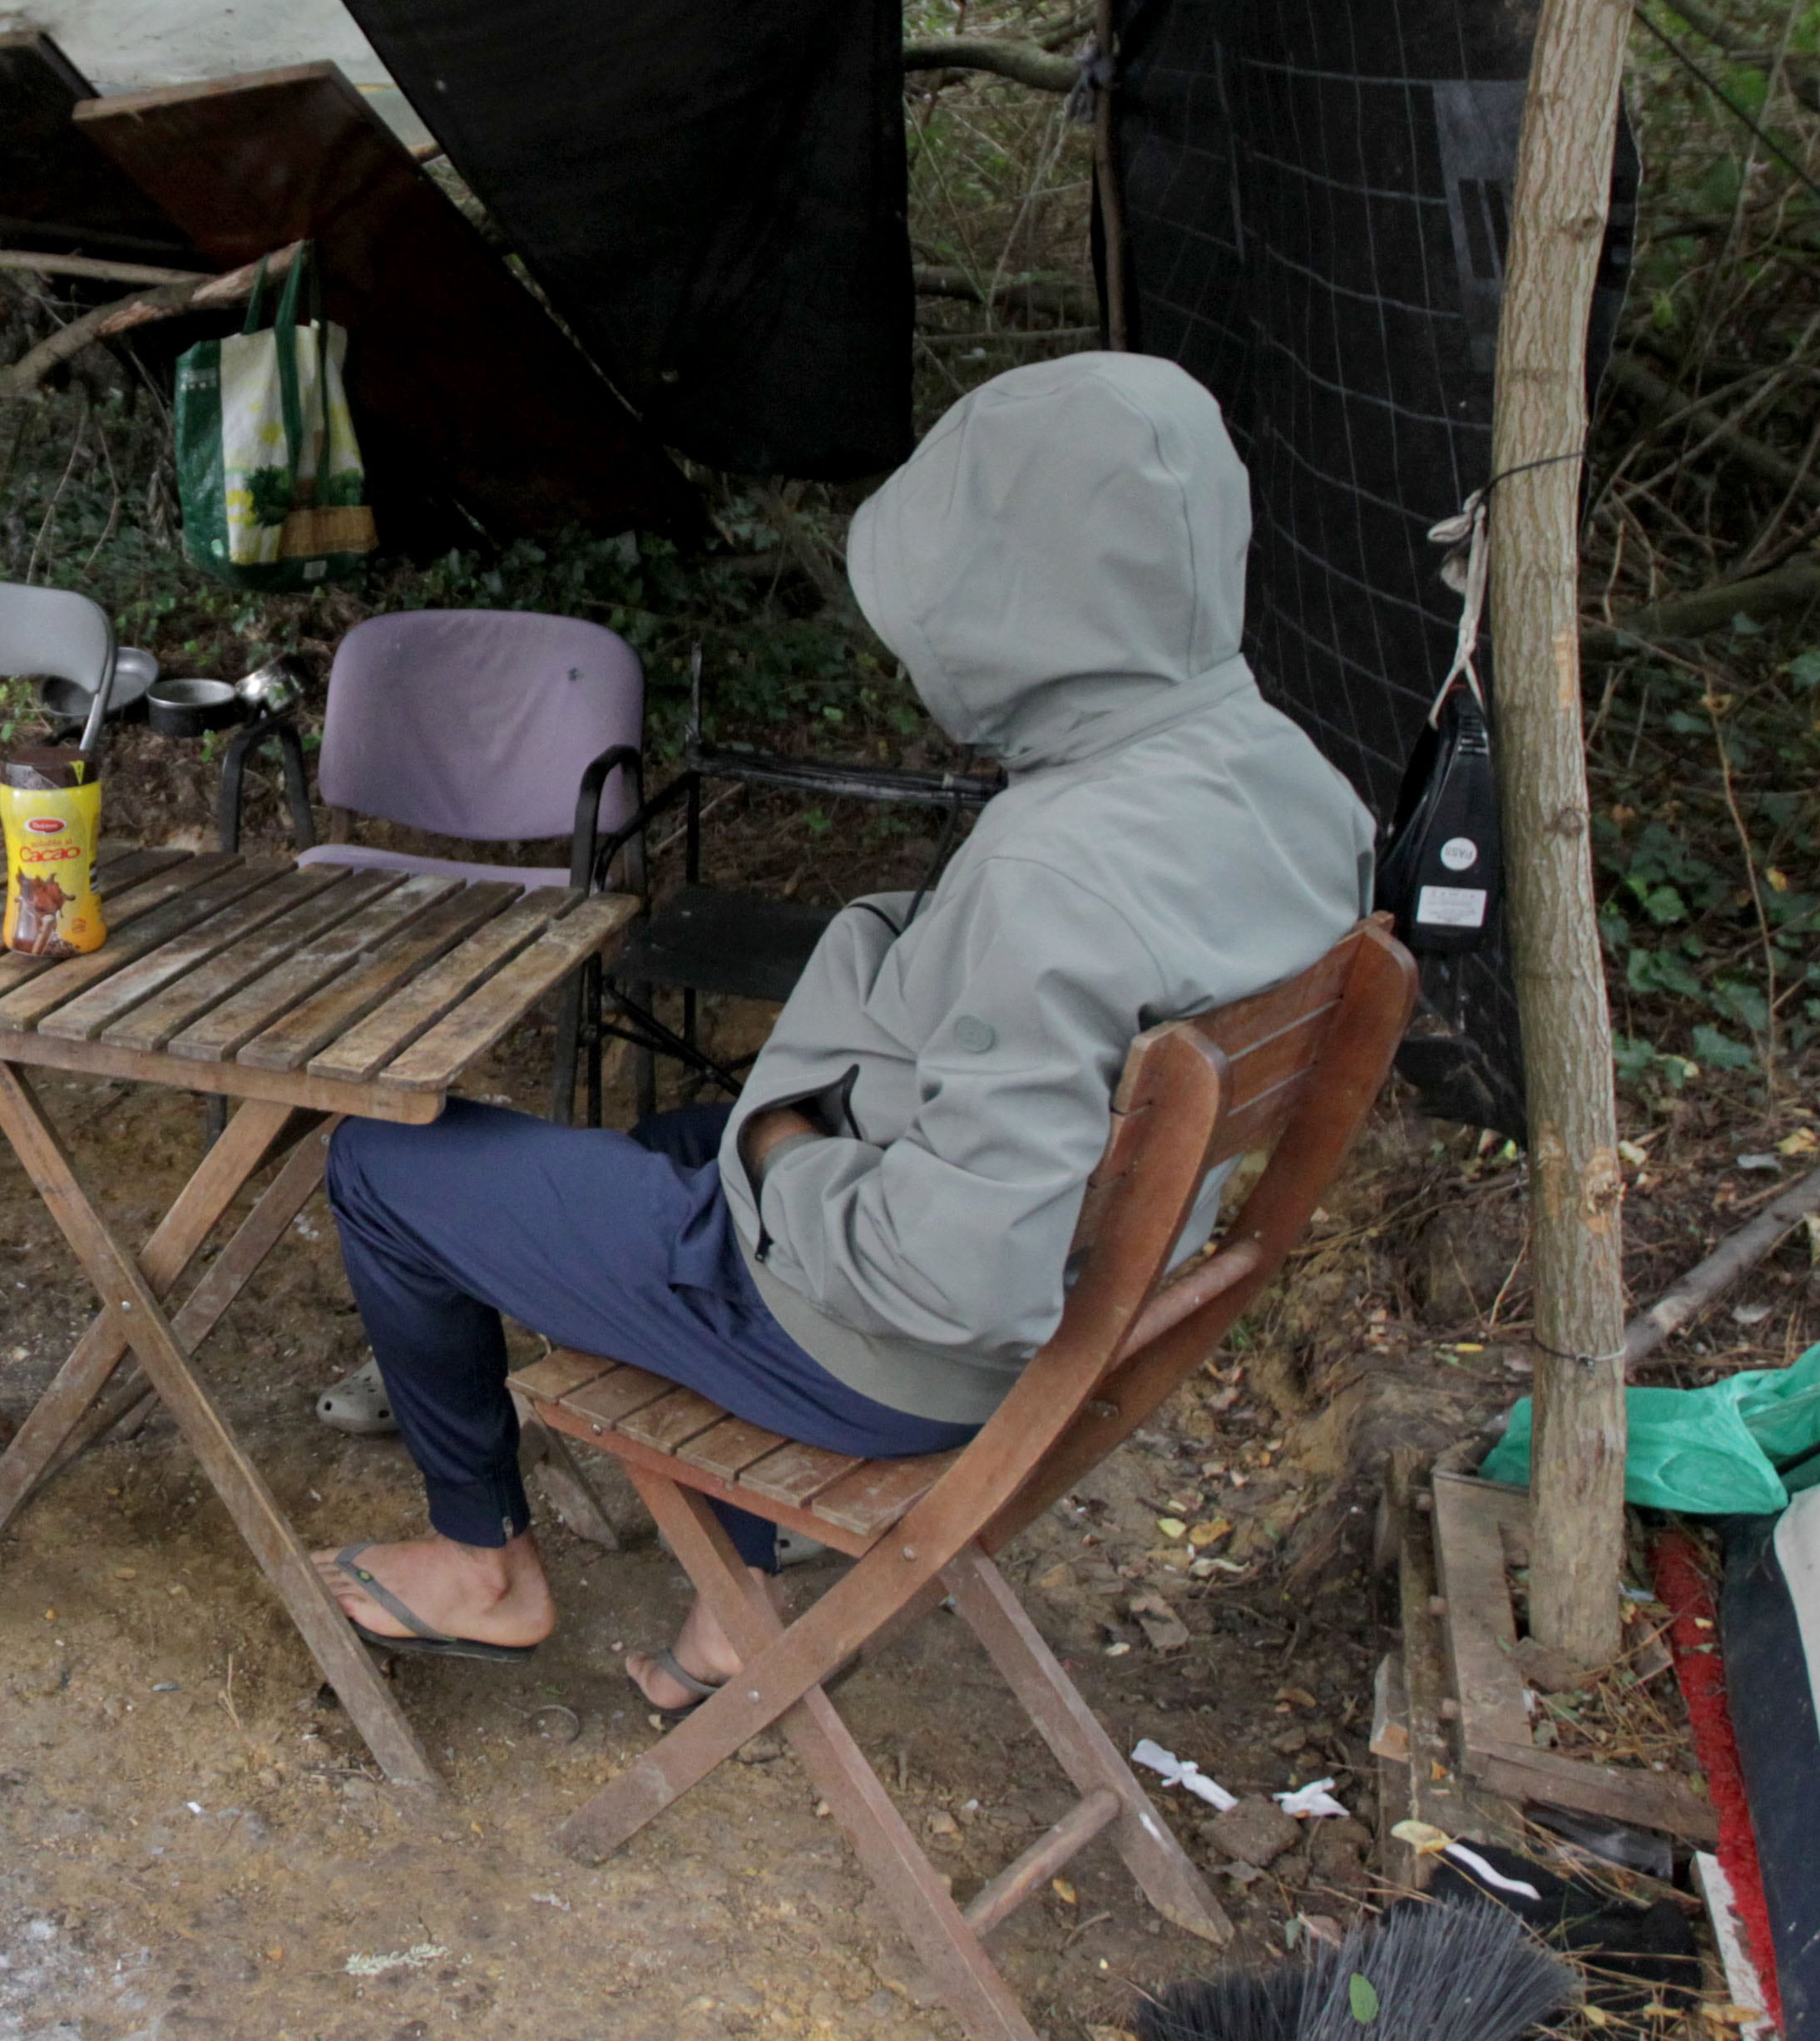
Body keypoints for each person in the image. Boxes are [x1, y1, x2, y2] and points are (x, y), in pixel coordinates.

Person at [314, 354, 1372, 1711]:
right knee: (674, 1141)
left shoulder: (1050, 869)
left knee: (385, 1163)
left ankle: (483, 1564)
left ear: (1016, 591)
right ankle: (727, 1609)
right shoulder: (1293, 781)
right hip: (1101, 1290)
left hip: (909, 1354)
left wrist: (782, 1148)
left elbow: (956, 1274)